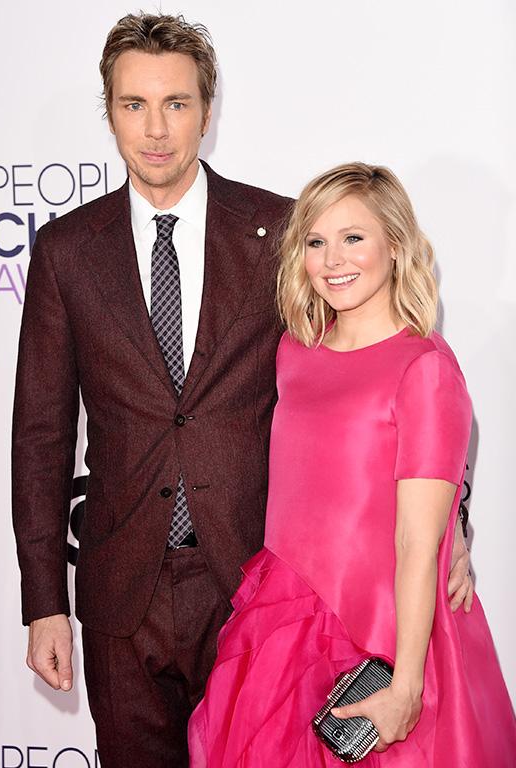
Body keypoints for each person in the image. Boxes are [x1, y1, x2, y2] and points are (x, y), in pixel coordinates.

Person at [10, 13, 474, 767]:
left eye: (177, 103)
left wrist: (457, 521)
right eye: (134, 104)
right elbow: (40, 435)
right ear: (109, 112)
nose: (156, 129)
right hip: (119, 587)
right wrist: (43, 603)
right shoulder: (67, 249)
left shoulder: (282, 232)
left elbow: (392, 371)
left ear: (208, 108)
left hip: (256, 590)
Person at [188, 162, 516, 765]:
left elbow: (417, 542)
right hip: (285, 625)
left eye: (354, 237)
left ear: (395, 245)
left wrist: (407, 688)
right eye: (316, 241)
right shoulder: (294, 351)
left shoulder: (424, 369)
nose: (333, 259)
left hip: (386, 638)